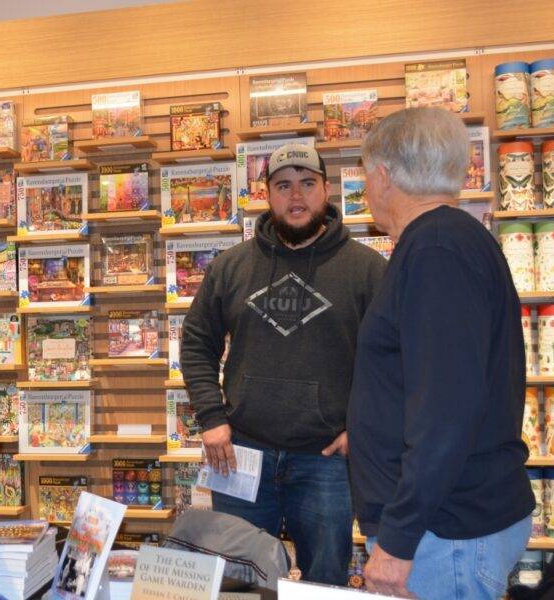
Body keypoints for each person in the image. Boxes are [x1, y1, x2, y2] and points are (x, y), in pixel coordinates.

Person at [348, 107, 534, 599]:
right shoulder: (447, 242)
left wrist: (399, 539)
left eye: (367, 177)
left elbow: (447, 410)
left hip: (444, 534)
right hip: (448, 527)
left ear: (384, 177)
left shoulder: (436, 250)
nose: (367, 191)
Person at [181, 143, 387, 584]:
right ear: (267, 194)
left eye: (308, 184)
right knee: (237, 583)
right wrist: (211, 417)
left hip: (325, 460)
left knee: (324, 583)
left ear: (327, 190)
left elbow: (393, 359)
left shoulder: (367, 269)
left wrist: (363, 426)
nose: (297, 197)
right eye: (284, 186)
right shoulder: (231, 267)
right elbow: (197, 340)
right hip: (240, 456)